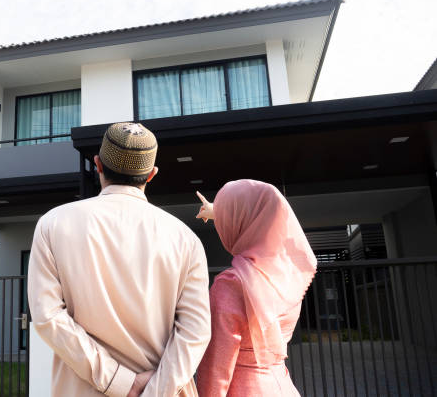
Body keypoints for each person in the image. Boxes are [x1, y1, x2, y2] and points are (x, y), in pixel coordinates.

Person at [28, 122, 211, 397]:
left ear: (98, 164)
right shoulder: (185, 239)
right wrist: (153, 391)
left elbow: (47, 317)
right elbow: (195, 333)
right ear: (151, 174)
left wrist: (120, 382)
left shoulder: (53, 224)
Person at [195, 180, 316, 396]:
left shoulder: (232, 284)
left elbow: (216, 369)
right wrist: (217, 211)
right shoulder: (287, 273)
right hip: (282, 385)